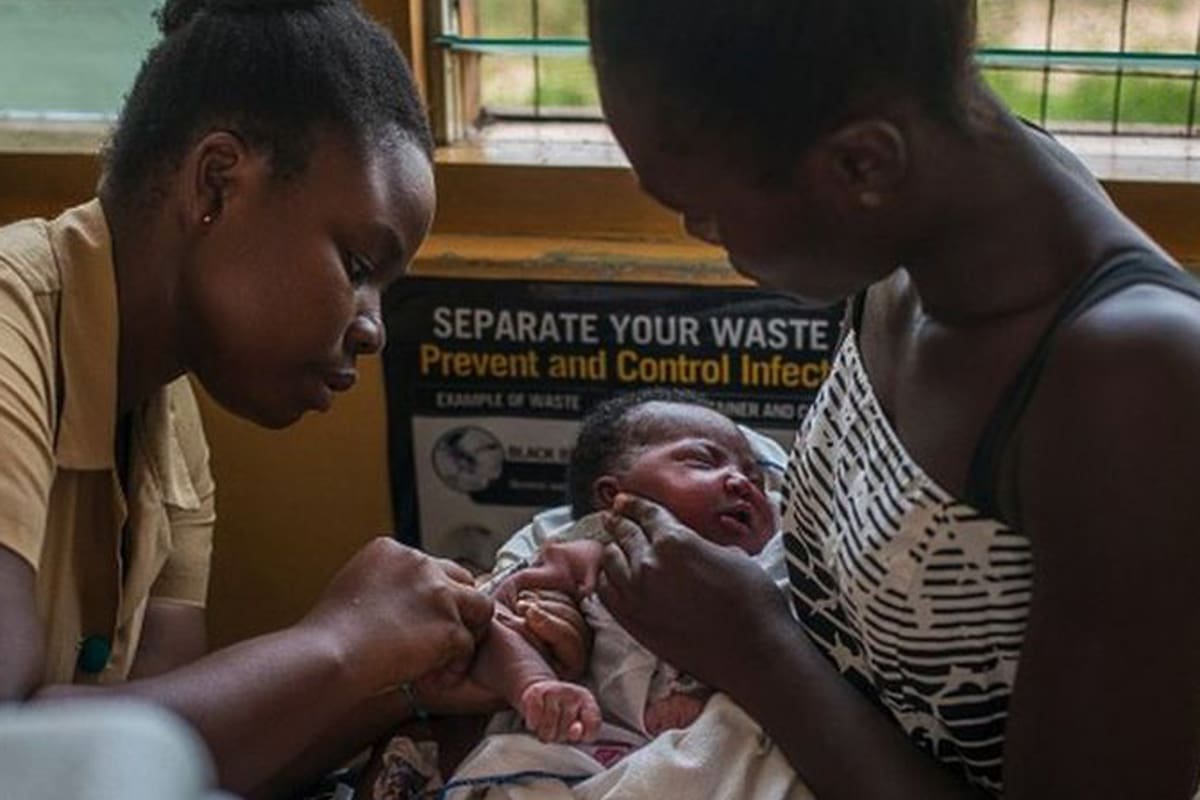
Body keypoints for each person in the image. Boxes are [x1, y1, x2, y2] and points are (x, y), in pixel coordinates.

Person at [585, 1, 1200, 798]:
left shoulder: (1133, 385)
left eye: (702, 210)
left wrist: (756, 648)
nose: (702, 234)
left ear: (861, 165)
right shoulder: (911, 233)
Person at [0, 1, 582, 797]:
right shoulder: (9, 331)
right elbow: (15, 752)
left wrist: (393, 683)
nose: (373, 330)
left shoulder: (166, 422)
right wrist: (337, 644)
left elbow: (168, 755)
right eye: (356, 265)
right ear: (217, 183)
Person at [471, 388, 778, 747]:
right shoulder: (591, 554)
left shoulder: (772, 568)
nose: (741, 482)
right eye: (702, 462)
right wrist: (537, 684)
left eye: (755, 480)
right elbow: (496, 621)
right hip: (594, 744)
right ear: (614, 498)